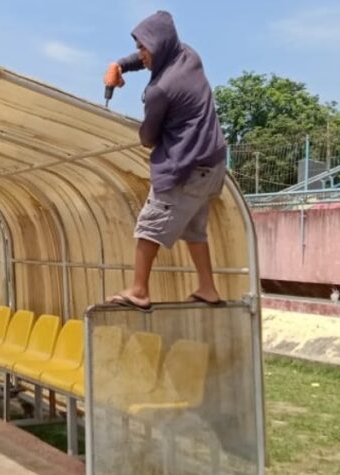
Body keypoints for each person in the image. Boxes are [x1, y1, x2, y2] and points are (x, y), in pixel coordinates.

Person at [104, 10, 227, 311]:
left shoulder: (161, 89)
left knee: (150, 224)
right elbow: (152, 57)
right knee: (194, 229)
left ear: (158, 47)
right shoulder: (189, 55)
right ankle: (208, 288)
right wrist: (120, 65)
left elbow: (148, 137)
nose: (141, 54)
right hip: (213, 165)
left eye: (144, 48)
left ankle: (139, 290)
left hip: (185, 168)